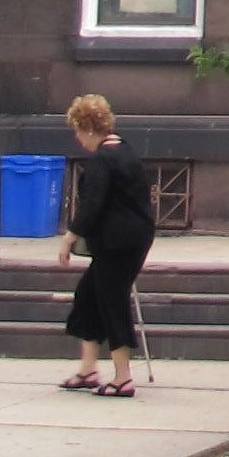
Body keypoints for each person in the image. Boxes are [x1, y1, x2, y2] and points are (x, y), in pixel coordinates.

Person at [56, 94, 154, 395]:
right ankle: (88, 369)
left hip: (116, 242)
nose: (78, 139)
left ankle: (122, 377)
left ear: (86, 128)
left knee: (112, 301)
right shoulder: (126, 151)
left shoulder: (101, 159)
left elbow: (91, 205)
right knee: (89, 295)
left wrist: (70, 237)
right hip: (132, 237)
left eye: (76, 132)